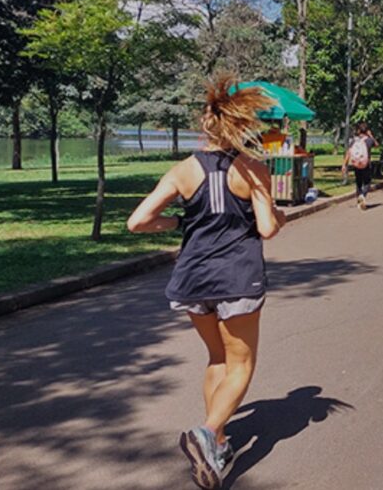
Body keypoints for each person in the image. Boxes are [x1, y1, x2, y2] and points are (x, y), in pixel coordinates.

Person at [126, 75, 286, 489]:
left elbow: (137, 221)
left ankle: (219, 442)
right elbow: (267, 228)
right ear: (241, 126)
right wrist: (278, 213)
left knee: (216, 358)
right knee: (241, 364)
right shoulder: (253, 169)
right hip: (238, 279)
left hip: (193, 279)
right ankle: (206, 432)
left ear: (206, 124)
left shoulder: (182, 171)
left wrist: (178, 222)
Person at [341, 121, 378, 210]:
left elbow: (349, 153)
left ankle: (359, 199)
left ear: (358, 131)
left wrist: (344, 165)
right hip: (366, 164)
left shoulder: (354, 140)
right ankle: (362, 195)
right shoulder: (369, 140)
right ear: (367, 131)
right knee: (367, 183)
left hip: (356, 164)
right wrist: (371, 135)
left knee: (358, 183)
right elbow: (377, 145)